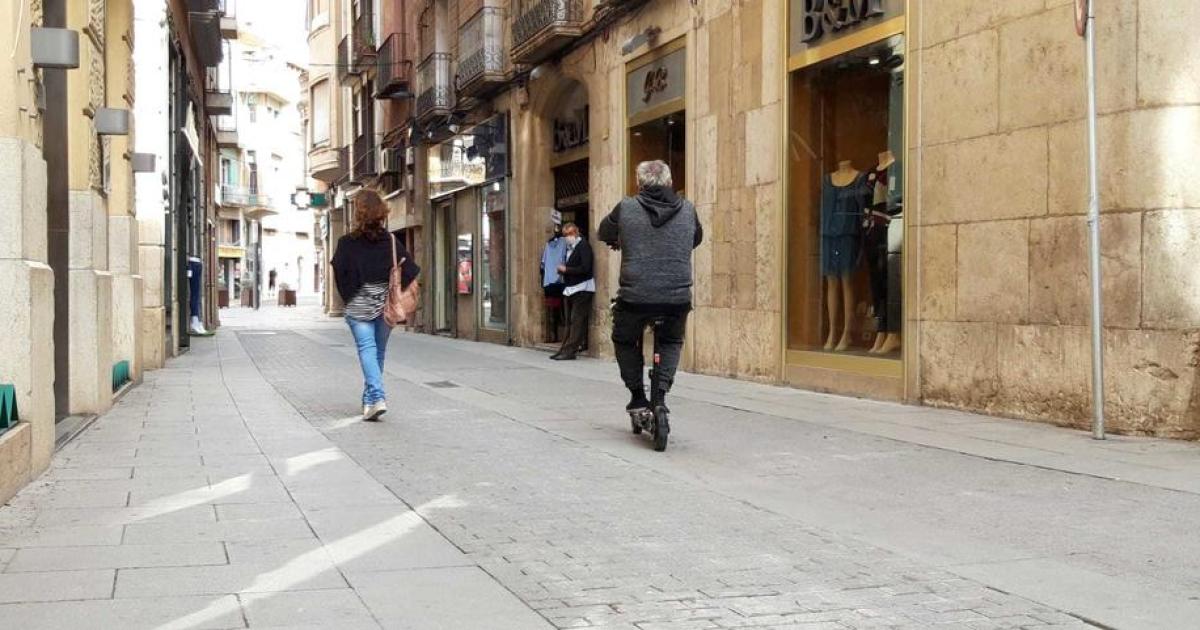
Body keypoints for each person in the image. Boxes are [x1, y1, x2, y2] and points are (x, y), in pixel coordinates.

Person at [598, 160, 703, 428]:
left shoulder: (627, 207)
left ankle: (637, 397)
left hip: (636, 296)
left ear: (639, 183)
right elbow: (696, 238)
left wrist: (619, 238)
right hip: (676, 297)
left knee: (624, 339)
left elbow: (604, 231)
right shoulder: (688, 209)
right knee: (670, 341)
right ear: (669, 182)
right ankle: (661, 397)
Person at [331, 190, 419, 421]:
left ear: (358, 213)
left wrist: (351, 298)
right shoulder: (390, 242)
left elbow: (340, 274)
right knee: (376, 352)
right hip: (385, 306)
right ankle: (370, 401)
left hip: (359, 305)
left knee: (367, 349)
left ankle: (377, 397)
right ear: (381, 212)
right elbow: (410, 271)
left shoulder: (346, 244)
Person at [552, 222, 594, 361]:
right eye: (565, 235)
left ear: (576, 232)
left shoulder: (584, 246)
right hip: (570, 289)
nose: (567, 237)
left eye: (570, 234)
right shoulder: (570, 248)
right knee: (569, 321)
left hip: (582, 288)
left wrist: (567, 269)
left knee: (577, 321)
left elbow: (586, 268)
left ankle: (570, 351)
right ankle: (563, 349)